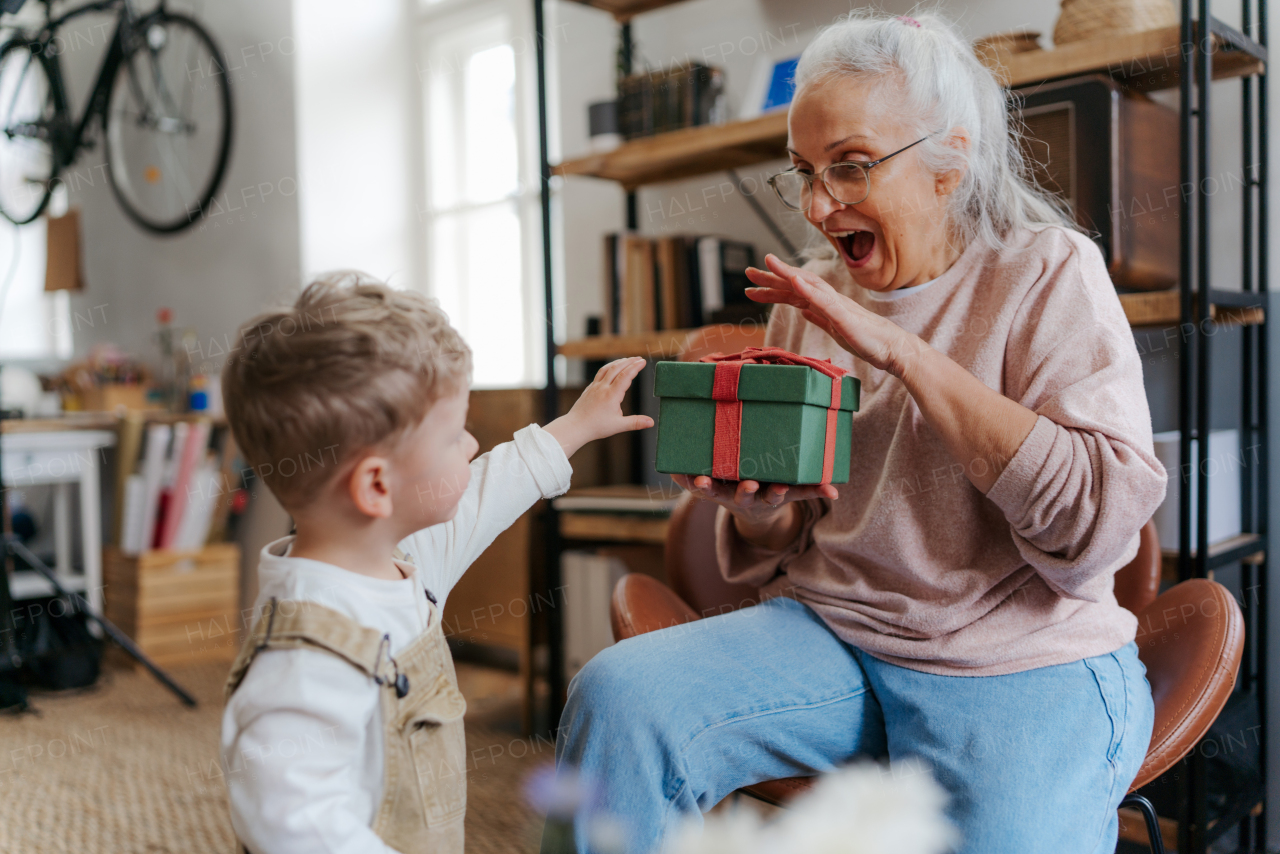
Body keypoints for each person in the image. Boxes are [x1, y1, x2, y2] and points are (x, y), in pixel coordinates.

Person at [547, 10, 1167, 854]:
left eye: (850, 167)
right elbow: (796, 525)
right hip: (833, 635)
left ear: (950, 161)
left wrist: (905, 353)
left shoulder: (1049, 271)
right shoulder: (809, 297)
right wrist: (760, 508)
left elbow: (1093, 526)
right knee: (617, 699)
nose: (817, 204)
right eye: (803, 171)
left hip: (1019, 659)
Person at [219, 273, 652, 854]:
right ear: (377, 485)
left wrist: (577, 426)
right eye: (453, 437)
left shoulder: (402, 559)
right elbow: (292, 823)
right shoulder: (303, 665)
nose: (472, 445)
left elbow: (489, 491)